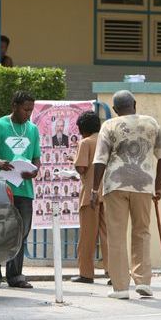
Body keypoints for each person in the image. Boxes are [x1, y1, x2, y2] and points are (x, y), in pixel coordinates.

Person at [92, 90, 161, 299]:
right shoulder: (151, 123)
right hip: (143, 185)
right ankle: (143, 281)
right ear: (134, 103)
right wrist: (158, 186)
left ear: (115, 110)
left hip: (115, 185)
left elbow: (100, 160)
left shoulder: (109, 125)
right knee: (142, 231)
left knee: (116, 235)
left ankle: (120, 287)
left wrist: (93, 189)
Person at [0, 91, 41, 289]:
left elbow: (36, 158)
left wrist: (34, 171)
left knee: (20, 233)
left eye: (31, 110)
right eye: (25, 109)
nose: (28, 114)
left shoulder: (32, 129)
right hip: (1, 187)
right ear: (14, 105)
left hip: (24, 190)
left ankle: (15, 276)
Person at [71, 110, 108, 284]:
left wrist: (74, 159)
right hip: (107, 193)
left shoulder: (85, 142)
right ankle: (113, 271)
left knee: (87, 236)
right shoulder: (107, 140)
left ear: (82, 129)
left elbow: (81, 168)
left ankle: (86, 273)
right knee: (108, 235)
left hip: (89, 194)